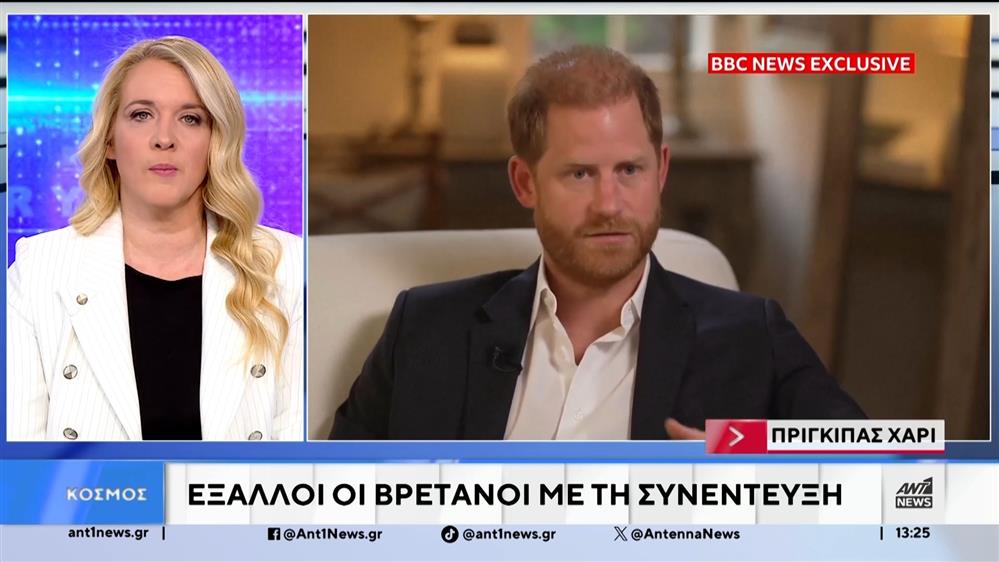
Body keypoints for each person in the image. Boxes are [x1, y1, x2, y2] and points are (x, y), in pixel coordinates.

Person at [330, 45, 864, 441]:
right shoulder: (424, 329)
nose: (609, 204)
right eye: (581, 174)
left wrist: (755, 472)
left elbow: (890, 476)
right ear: (525, 183)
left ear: (661, 171)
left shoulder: (751, 337)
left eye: (630, 170)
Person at [7, 36, 303, 441]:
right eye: (142, 115)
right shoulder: (38, 270)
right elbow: (20, 459)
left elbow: (294, 456)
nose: (164, 138)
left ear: (216, 141)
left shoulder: (286, 265)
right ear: (110, 140)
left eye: (190, 118)